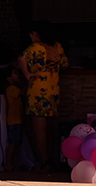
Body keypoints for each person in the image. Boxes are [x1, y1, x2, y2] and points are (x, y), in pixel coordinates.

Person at [18, 21, 66, 170]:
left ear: (36, 34)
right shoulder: (57, 47)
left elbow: (21, 58)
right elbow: (64, 64)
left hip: (38, 91)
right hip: (53, 91)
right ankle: (52, 159)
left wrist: (27, 74)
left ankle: (44, 161)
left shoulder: (35, 48)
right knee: (50, 127)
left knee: (39, 127)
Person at [4, 66, 24, 170]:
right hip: (13, 120)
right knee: (13, 143)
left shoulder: (13, 88)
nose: (17, 76)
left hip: (16, 119)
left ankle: (16, 163)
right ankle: (8, 162)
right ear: (8, 78)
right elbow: (22, 92)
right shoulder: (11, 89)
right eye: (14, 74)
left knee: (16, 143)